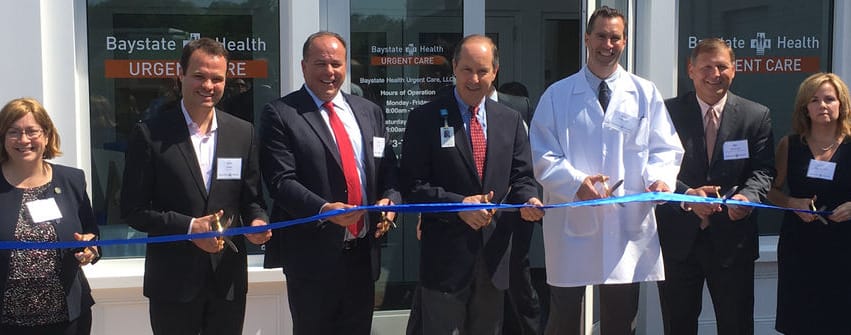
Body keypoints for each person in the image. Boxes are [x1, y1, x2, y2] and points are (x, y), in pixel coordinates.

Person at [529, 6, 684, 335]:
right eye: (601, 36)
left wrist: (660, 179)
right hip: (572, 221)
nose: (608, 44)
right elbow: (543, 154)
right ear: (587, 39)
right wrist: (576, 183)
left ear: (624, 41)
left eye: (615, 37)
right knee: (564, 317)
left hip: (625, 224)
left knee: (620, 319)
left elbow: (665, 147)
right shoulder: (557, 95)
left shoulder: (644, 93)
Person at [120, 37, 270, 335]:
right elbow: (133, 210)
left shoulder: (243, 133)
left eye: (217, 78)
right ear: (181, 74)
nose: (208, 86)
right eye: (200, 76)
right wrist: (190, 228)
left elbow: (252, 200)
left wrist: (258, 221)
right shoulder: (150, 133)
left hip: (227, 281)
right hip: (173, 283)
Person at [400, 34, 544, 335]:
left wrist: (529, 199)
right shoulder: (424, 118)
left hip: (494, 259)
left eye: (482, 71)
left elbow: (522, 176)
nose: (474, 79)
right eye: (467, 69)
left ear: (495, 72)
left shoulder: (510, 120)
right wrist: (458, 206)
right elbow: (412, 186)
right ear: (454, 68)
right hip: (445, 263)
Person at [259, 31, 400, 335]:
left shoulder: (369, 111)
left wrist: (391, 200)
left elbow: (388, 168)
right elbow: (281, 181)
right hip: (312, 259)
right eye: (320, 63)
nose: (329, 72)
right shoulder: (281, 114)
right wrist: (324, 209)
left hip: (362, 255)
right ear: (303, 66)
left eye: (336, 64)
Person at [655, 37, 775, 335]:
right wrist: (686, 195)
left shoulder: (755, 115)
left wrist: (747, 197)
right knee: (678, 326)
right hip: (680, 240)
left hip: (733, 240)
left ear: (734, 69)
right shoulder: (666, 113)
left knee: (736, 325)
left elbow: (763, 170)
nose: (715, 74)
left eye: (722, 67)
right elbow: (653, 166)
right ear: (691, 70)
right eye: (706, 67)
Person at [0, 97, 100, 334]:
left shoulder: (71, 180)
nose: (24, 139)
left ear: (46, 135)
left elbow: (93, 235)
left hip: (67, 320)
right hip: (8, 322)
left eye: (31, 131)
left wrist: (90, 248)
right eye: (13, 132)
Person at [768, 73, 851, 334]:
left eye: (829, 99)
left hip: (844, 246)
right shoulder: (790, 145)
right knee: (800, 320)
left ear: (841, 104)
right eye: (814, 100)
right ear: (805, 107)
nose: (822, 105)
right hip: (800, 246)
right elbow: (770, 189)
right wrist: (791, 202)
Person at [489, 86, 543, 335]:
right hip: (469, 215)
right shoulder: (448, 106)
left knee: (518, 282)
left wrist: (529, 197)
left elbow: (529, 160)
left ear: (494, 72)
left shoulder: (520, 107)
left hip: (514, 213)